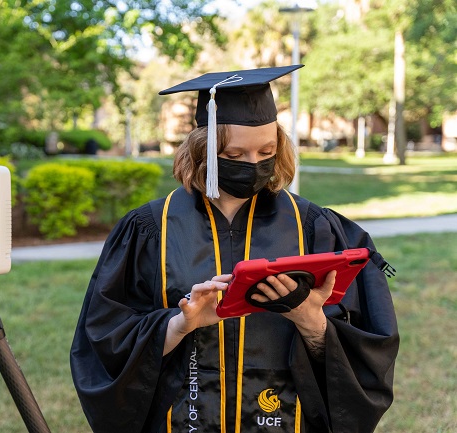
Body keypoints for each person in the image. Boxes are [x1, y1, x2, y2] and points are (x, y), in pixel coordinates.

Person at [70, 65, 399, 433]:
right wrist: (179, 325)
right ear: (203, 149)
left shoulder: (314, 226)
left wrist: (313, 323)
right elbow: (103, 341)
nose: (254, 164)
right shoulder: (150, 228)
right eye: (235, 154)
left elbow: (369, 350)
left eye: (266, 151)